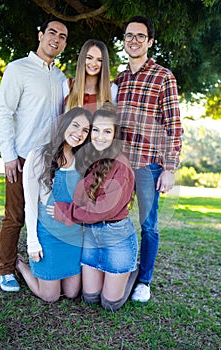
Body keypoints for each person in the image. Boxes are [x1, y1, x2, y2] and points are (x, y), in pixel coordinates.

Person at [0, 18, 68, 292]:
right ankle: (6, 269)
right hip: (22, 157)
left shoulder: (60, 77)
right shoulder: (18, 69)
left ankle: (43, 262)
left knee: (47, 214)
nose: (56, 39)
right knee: (15, 215)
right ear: (40, 35)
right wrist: (9, 155)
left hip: (50, 161)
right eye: (52, 32)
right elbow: (3, 113)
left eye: (62, 36)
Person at [114, 16, 183, 302]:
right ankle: (120, 270)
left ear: (150, 41)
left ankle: (144, 280)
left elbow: (174, 125)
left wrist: (170, 168)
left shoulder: (163, 77)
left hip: (148, 165)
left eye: (140, 36)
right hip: (119, 165)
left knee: (149, 225)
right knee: (116, 218)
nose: (133, 40)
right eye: (129, 35)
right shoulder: (119, 79)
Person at [47, 102, 139, 311]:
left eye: (107, 131)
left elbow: (103, 210)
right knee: (89, 298)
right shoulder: (92, 159)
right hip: (91, 234)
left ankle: (132, 271)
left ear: (115, 135)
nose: (100, 136)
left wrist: (66, 211)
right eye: (95, 130)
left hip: (117, 237)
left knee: (110, 304)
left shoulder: (121, 165)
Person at [15, 107, 92, 302]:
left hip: (72, 235)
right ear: (64, 125)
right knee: (50, 296)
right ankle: (20, 266)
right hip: (47, 235)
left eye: (85, 130)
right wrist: (32, 241)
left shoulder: (83, 160)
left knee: (72, 292)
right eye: (75, 126)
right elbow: (30, 204)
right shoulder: (39, 155)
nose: (80, 133)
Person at [64, 39, 117, 114]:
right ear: (82, 58)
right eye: (89, 58)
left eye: (99, 60)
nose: (93, 63)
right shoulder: (68, 85)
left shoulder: (112, 89)